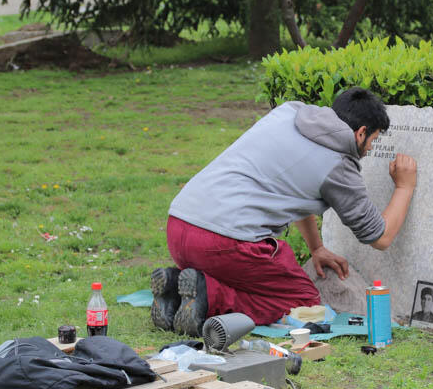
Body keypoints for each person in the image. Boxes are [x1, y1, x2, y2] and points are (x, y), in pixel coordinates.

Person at [151, 87, 418, 336]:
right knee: (302, 302)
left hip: (178, 227)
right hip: (222, 243)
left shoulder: (290, 112)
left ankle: (177, 288)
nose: (370, 148)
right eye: (372, 140)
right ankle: (209, 296)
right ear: (360, 133)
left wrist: (316, 248)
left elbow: (294, 188)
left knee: (247, 276)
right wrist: (405, 187)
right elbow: (380, 237)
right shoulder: (339, 164)